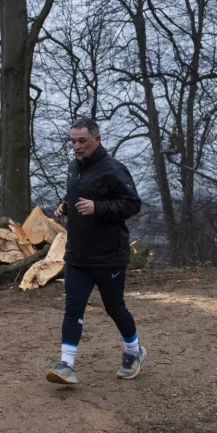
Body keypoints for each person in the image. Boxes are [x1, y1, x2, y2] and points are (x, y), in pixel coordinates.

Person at [46, 117, 146, 385]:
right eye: (73, 141)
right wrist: (65, 206)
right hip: (77, 256)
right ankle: (66, 365)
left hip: (108, 257)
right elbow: (77, 194)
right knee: (72, 310)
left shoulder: (113, 169)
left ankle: (134, 353)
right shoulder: (73, 167)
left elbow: (132, 204)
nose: (76, 146)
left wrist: (98, 207)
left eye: (82, 141)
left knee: (115, 309)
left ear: (97, 140)